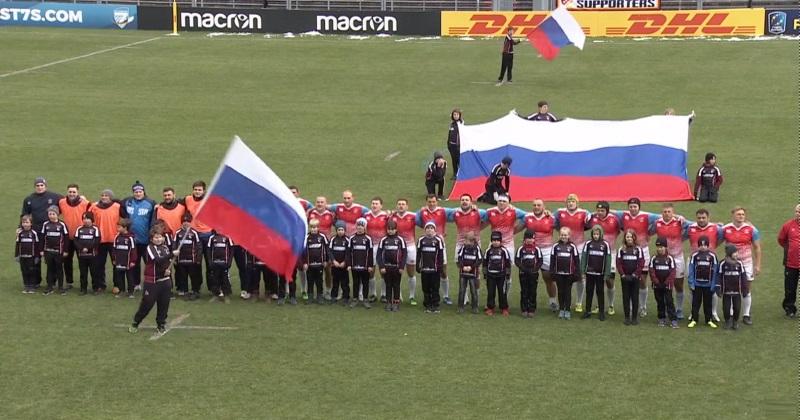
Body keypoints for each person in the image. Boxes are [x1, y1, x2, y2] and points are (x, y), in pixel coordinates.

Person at [128, 227, 179, 338]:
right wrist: (171, 254)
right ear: (151, 239)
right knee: (147, 304)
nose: (158, 239)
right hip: (152, 282)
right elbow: (157, 260)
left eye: (160, 237)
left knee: (164, 304)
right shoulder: (150, 248)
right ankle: (136, 322)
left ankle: (161, 324)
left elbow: (167, 263)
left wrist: (168, 270)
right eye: (155, 237)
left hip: (165, 281)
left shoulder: (165, 248)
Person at [615, 197, 658, 318]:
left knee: (642, 281)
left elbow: (662, 217)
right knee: (628, 278)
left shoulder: (647, 216)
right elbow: (610, 212)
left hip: (643, 251)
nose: (633, 208)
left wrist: (679, 217)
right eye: (631, 206)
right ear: (628, 207)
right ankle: (630, 307)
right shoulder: (623, 215)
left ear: (639, 207)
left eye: (635, 206)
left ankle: (643, 307)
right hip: (628, 251)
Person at [722, 207, 761, 325]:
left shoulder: (751, 229)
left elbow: (757, 247)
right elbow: (716, 241)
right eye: (738, 214)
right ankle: (732, 314)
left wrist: (758, 265)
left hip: (746, 263)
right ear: (733, 215)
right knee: (731, 287)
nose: (741, 216)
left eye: (743, 214)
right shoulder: (725, 229)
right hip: (731, 264)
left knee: (746, 288)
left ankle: (746, 315)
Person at [21, 177, 62, 288]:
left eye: (41, 185)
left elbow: (67, 202)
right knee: (35, 257)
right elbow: (24, 215)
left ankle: (52, 282)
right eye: (37, 185)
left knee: (51, 258)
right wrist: (20, 227)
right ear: (35, 186)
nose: (39, 187)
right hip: (35, 233)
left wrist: (82, 198)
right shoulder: (29, 199)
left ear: (45, 186)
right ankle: (35, 281)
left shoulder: (55, 197)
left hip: (50, 233)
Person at [684, 208, 724, 322]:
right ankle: (693, 312)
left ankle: (713, 312)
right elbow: (682, 231)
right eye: (699, 218)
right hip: (693, 261)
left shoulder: (716, 228)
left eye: (703, 218)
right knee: (692, 288)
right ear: (696, 218)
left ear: (708, 218)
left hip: (711, 262)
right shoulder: (690, 227)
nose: (701, 220)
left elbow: (721, 238)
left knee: (713, 287)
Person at [652, 203, 690, 319]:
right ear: (661, 213)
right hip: (663, 258)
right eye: (665, 212)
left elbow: (695, 226)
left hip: (677, 257)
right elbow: (648, 232)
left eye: (669, 212)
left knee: (678, 284)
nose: (667, 214)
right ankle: (664, 309)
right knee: (663, 283)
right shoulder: (657, 223)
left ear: (673, 212)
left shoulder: (680, 222)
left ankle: (679, 309)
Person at [554, 193, 590, 313]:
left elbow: (590, 220)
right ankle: (563, 303)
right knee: (565, 275)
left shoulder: (584, 212)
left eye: (573, 201)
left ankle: (579, 302)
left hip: (579, 248)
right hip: (564, 247)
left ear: (577, 203)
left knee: (580, 276)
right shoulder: (559, 212)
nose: (570, 203)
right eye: (569, 201)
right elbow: (552, 220)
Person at [416, 195, 454, 305]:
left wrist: (473, 206)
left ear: (437, 202)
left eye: (433, 201)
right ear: (426, 202)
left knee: (443, 271)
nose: (431, 204)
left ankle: (446, 296)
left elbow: (457, 211)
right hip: (426, 246)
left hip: (440, 245)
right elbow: (414, 218)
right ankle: (428, 296)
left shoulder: (443, 210)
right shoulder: (422, 212)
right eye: (429, 202)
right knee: (427, 271)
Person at [522, 199, 558, 312]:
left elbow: (562, 230)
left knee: (548, 277)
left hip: (547, 250)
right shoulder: (527, 217)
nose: (536, 207)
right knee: (528, 277)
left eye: (539, 205)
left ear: (544, 206)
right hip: (531, 250)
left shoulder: (551, 218)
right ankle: (528, 302)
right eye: (534, 205)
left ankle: (552, 301)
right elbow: (516, 228)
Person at [120, 181, 156, 291]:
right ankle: (136, 284)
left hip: (146, 239)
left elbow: (154, 219)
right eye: (136, 192)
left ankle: (151, 283)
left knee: (149, 262)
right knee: (134, 262)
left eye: (140, 191)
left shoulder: (151, 203)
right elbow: (117, 204)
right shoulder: (127, 201)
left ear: (144, 192)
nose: (138, 194)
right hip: (132, 239)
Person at [588, 201, 620, 316]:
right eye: (598, 210)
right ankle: (598, 304)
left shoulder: (615, 219)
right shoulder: (593, 219)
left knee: (609, 280)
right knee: (598, 280)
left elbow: (621, 229)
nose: (600, 213)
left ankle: (611, 305)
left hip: (610, 254)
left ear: (607, 210)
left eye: (602, 210)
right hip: (596, 254)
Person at [58, 184, 91, 290]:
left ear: (78, 192)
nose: (72, 194)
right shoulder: (61, 202)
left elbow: (92, 214)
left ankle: (83, 285)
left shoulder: (85, 203)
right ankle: (69, 282)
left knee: (82, 261)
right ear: (67, 192)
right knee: (67, 260)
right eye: (70, 192)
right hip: (67, 237)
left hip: (81, 238)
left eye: (74, 192)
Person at [183, 181, 214, 290]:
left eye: (199, 190)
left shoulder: (210, 200)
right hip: (195, 236)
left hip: (208, 235)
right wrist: (160, 205)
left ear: (204, 190)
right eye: (195, 189)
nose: (197, 192)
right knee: (196, 263)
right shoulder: (188, 199)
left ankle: (213, 288)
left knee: (210, 263)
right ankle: (196, 289)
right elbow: (176, 203)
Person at [389, 198, 419, 305]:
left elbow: (426, 221)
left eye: (403, 204)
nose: (401, 206)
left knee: (411, 272)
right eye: (399, 204)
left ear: (407, 206)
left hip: (410, 247)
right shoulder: (391, 217)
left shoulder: (413, 216)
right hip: (397, 248)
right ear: (396, 206)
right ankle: (398, 295)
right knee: (397, 272)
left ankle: (412, 296)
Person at [580, 225, 611, 321]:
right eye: (594, 234)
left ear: (601, 234)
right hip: (590, 273)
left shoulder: (605, 244)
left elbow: (608, 259)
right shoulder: (588, 243)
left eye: (597, 234)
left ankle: (601, 312)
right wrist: (582, 271)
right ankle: (588, 311)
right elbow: (584, 257)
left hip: (600, 274)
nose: (596, 236)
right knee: (589, 291)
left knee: (600, 292)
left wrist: (607, 273)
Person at [687, 236, 718, 328]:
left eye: (705, 245)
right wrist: (691, 282)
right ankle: (694, 319)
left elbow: (715, 270)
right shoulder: (694, 256)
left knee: (708, 303)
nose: (703, 247)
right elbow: (691, 269)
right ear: (698, 245)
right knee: (695, 303)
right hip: (697, 284)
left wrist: (713, 284)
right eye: (701, 245)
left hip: (708, 285)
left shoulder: (712, 256)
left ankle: (708, 320)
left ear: (708, 246)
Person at [307, 196, 335, 300]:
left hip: (326, 245)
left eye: (322, 202)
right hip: (313, 245)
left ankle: (328, 291)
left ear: (325, 203)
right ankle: (309, 292)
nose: (319, 204)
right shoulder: (310, 213)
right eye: (318, 202)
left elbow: (338, 226)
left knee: (328, 269)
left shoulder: (331, 214)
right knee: (311, 270)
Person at [616, 229, 646, 326]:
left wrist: (635, 274)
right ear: (625, 238)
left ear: (634, 238)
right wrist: (623, 275)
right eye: (627, 237)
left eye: (631, 237)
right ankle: (627, 317)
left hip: (635, 278)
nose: (629, 238)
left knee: (634, 297)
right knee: (626, 297)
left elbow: (641, 263)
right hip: (625, 278)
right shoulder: (621, 249)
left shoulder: (638, 249)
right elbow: (619, 263)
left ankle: (634, 318)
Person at [716, 244, 749, 330]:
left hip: (737, 291)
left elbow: (743, 277)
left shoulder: (739, 264)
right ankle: (727, 321)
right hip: (726, 291)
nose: (737, 254)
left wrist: (745, 289)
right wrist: (718, 287)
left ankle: (735, 322)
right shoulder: (722, 264)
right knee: (726, 308)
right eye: (735, 253)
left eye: (737, 252)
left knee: (737, 308)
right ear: (729, 254)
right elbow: (719, 276)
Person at [550, 227, 580, 320]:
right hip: (558, 273)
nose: (564, 236)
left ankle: (567, 310)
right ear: (559, 235)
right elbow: (552, 259)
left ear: (569, 236)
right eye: (562, 235)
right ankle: (561, 309)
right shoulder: (555, 246)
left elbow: (576, 260)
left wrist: (577, 273)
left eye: (565, 235)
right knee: (560, 291)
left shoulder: (572, 246)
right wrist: (552, 272)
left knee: (567, 292)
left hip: (569, 274)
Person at [377, 220, 407, 312]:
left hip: (397, 267)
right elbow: (379, 254)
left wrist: (402, 267)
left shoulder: (400, 240)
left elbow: (404, 254)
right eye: (389, 229)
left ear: (396, 229)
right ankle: (389, 302)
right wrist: (382, 266)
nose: (390, 231)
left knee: (396, 285)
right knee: (388, 285)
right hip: (387, 267)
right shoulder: (383, 240)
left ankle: (396, 303)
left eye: (392, 229)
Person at [650, 237, 679, 328]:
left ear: (666, 247)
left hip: (667, 285)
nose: (660, 249)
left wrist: (666, 282)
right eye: (658, 247)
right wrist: (656, 282)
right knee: (660, 302)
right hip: (657, 285)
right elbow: (652, 271)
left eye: (662, 247)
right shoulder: (654, 258)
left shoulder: (669, 258)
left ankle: (673, 320)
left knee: (669, 301)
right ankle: (661, 318)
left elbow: (673, 272)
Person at [417, 221, 445, 313]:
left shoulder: (438, 240)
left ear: (434, 230)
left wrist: (440, 267)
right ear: (425, 230)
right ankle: (427, 304)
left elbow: (441, 254)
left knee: (435, 287)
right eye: (427, 228)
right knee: (425, 287)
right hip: (425, 269)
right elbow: (418, 254)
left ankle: (435, 304)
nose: (429, 230)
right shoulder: (421, 240)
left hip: (435, 269)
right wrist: (418, 265)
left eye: (431, 228)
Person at [173, 213, 203, 300]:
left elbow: (199, 246)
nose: (186, 223)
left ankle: (195, 291)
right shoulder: (178, 233)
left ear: (191, 222)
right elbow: (174, 245)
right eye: (184, 221)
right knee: (182, 276)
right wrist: (174, 256)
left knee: (194, 276)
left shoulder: (194, 233)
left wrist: (198, 258)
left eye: (188, 221)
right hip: (181, 260)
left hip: (192, 260)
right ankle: (184, 291)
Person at [41, 206, 69, 295]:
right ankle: (49, 286)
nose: (51, 216)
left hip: (58, 251)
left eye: (53, 214)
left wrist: (65, 250)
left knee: (59, 269)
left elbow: (66, 238)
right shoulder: (45, 224)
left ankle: (60, 287)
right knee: (49, 269)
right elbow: (42, 238)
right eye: (50, 214)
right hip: (48, 251)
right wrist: (41, 250)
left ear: (57, 214)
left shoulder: (62, 224)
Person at [778, 204, 800, 318]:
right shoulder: (788, 225)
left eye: (799, 212)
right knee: (790, 288)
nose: (797, 214)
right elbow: (781, 240)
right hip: (791, 263)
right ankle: (789, 308)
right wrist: (791, 250)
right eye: (796, 211)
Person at [364, 197, 388, 303]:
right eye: (373, 203)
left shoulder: (386, 216)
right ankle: (373, 294)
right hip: (370, 246)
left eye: (376, 204)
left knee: (383, 271)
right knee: (371, 271)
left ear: (381, 205)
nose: (374, 205)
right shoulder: (366, 216)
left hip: (382, 247)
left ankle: (384, 294)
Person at [516, 230, 543, 318]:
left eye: (531, 238)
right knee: (524, 291)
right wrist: (523, 269)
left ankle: (531, 309)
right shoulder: (521, 249)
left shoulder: (537, 249)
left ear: (534, 239)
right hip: (523, 273)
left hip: (533, 274)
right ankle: (524, 309)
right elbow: (517, 261)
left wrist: (535, 270)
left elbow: (540, 261)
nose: (529, 240)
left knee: (532, 291)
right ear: (524, 239)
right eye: (527, 238)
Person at [483, 231, 511, 316]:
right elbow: (485, 263)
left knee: (502, 292)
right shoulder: (488, 251)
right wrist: (485, 274)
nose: (495, 242)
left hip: (501, 275)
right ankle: (490, 307)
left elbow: (507, 263)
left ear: (500, 241)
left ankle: (504, 308)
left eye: (497, 240)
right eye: (494, 240)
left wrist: (507, 274)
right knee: (491, 292)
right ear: (491, 241)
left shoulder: (504, 251)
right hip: (490, 275)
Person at [73, 211, 101, 295]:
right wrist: (81, 248)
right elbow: (75, 240)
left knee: (94, 272)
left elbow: (97, 241)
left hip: (92, 255)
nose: (86, 220)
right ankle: (83, 289)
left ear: (92, 220)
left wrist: (88, 248)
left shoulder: (95, 229)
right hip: (82, 255)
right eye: (84, 219)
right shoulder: (79, 229)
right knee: (83, 273)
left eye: (87, 218)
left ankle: (95, 288)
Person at [348, 218, 373, 309]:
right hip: (355, 266)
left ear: (365, 227)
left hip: (365, 266)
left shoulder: (368, 239)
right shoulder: (352, 238)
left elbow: (370, 253)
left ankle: (365, 299)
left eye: (361, 226)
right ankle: (355, 299)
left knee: (365, 282)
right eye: (358, 226)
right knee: (355, 282)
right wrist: (349, 264)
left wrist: (370, 265)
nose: (359, 228)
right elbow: (349, 252)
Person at [303, 219, 328, 305]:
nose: (313, 229)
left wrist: (325, 260)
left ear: (318, 227)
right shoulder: (306, 237)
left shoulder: (322, 237)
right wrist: (305, 262)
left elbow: (326, 249)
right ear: (310, 228)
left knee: (319, 281)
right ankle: (310, 296)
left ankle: (319, 296)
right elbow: (304, 251)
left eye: (315, 227)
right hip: (310, 265)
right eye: (312, 227)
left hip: (319, 264)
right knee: (310, 281)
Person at [111, 219, 138, 299]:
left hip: (128, 261)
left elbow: (133, 250)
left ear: (125, 228)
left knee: (130, 277)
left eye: (119, 227)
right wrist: (114, 259)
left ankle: (131, 292)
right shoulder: (117, 237)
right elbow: (114, 249)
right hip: (119, 261)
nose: (117, 229)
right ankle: (122, 291)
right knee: (120, 276)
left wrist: (133, 260)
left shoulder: (130, 238)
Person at [457, 232, 482, 314]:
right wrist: (462, 267)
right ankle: (460, 307)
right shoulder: (463, 248)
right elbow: (459, 258)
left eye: (466, 240)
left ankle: (474, 307)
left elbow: (480, 260)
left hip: (473, 274)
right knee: (462, 290)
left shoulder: (477, 249)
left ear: (472, 241)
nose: (464, 242)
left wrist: (472, 267)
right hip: (463, 273)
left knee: (473, 291)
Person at [15, 215, 40, 294]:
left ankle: (32, 286)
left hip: (31, 257)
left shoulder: (33, 233)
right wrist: (17, 255)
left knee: (31, 271)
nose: (25, 224)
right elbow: (17, 245)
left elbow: (37, 246)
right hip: (23, 257)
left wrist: (37, 256)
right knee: (24, 271)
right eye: (23, 222)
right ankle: (26, 286)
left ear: (31, 223)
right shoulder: (20, 233)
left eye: (27, 222)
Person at [207, 231, 234, 302]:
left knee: (225, 279)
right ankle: (216, 295)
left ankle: (226, 296)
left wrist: (229, 261)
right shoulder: (212, 238)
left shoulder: (228, 237)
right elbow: (208, 250)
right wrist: (210, 261)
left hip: (224, 263)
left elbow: (231, 250)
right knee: (215, 279)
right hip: (215, 263)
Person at [329, 221, 351, 305]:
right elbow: (330, 251)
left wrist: (345, 262)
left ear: (345, 230)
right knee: (335, 282)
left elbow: (348, 252)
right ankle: (333, 296)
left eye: (342, 229)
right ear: (336, 230)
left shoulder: (347, 240)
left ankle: (346, 297)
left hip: (343, 266)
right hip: (335, 265)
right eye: (339, 230)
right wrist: (333, 261)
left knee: (345, 282)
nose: (340, 231)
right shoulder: (333, 239)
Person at [447, 109, 462, 180]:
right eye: (454, 115)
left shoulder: (461, 124)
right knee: (454, 160)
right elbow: (449, 135)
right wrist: (448, 144)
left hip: (458, 146)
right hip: (451, 146)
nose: (456, 116)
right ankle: (455, 174)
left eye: (457, 115)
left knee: (459, 160)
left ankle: (461, 174)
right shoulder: (451, 124)